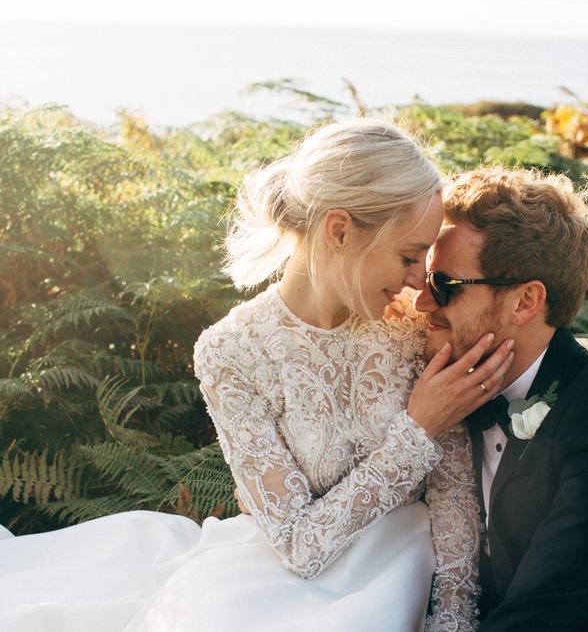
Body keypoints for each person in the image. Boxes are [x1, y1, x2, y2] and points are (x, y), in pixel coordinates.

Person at [0, 120, 514, 632]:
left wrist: (452, 622)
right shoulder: (231, 352)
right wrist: (415, 431)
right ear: (338, 230)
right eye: (407, 257)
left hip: (401, 572)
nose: (417, 282)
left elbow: (453, 498)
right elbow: (296, 545)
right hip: (276, 577)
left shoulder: (412, 324)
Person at [412, 166, 588, 631]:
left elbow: (548, 606)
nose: (422, 303)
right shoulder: (442, 380)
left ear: (525, 302)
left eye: (444, 286)